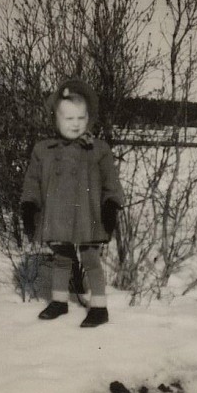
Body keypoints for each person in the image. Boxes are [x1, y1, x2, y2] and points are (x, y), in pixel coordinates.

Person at [20, 79, 124, 328]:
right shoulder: (44, 150)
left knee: (90, 259)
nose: (76, 124)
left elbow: (111, 181)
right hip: (57, 214)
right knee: (62, 257)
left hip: (89, 216)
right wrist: (29, 205)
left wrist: (111, 205)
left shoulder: (98, 149)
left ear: (89, 117)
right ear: (55, 119)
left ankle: (99, 308)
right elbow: (32, 181)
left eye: (81, 118)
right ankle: (59, 302)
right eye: (69, 119)